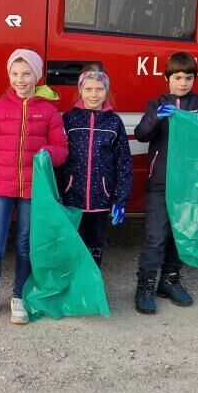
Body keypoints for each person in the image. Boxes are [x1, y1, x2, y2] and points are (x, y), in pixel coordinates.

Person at [0, 49, 68, 325]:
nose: (20, 80)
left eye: (26, 74)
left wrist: (49, 152)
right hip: (1, 189)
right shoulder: (0, 109)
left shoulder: (48, 111)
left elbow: (62, 149)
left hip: (31, 191)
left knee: (25, 245)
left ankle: (19, 297)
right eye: (15, 74)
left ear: (37, 76)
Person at [133, 51, 198, 315]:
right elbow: (141, 134)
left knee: (181, 233)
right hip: (160, 182)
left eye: (188, 78)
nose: (183, 83)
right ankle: (145, 285)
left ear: (195, 79)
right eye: (177, 77)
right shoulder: (156, 103)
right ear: (167, 78)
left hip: (191, 184)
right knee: (156, 237)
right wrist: (156, 117)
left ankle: (170, 280)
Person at [57, 68, 133, 268]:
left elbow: (123, 162)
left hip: (101, 198)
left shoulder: (114, 122)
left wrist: (121, 199)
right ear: (80, 91)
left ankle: (92, 283)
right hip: (72, 197)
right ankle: (74, 283)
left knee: (95, 244)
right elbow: (59, 158)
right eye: (88, 89)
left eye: (99, 89)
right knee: (73, 243)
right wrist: (58, 193)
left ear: (106, 91)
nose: (94, 94)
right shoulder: (69, 119)